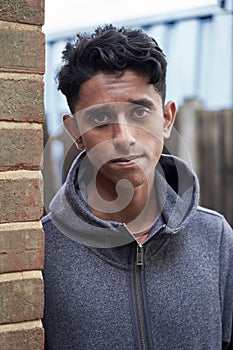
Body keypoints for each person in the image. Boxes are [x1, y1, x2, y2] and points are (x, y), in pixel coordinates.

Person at [42, 24, 233, 349]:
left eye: (140, 112)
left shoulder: (216, 241)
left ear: (167, 119)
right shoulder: (42, 253)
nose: (124, 138)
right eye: (100, 119)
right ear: (75, 130)